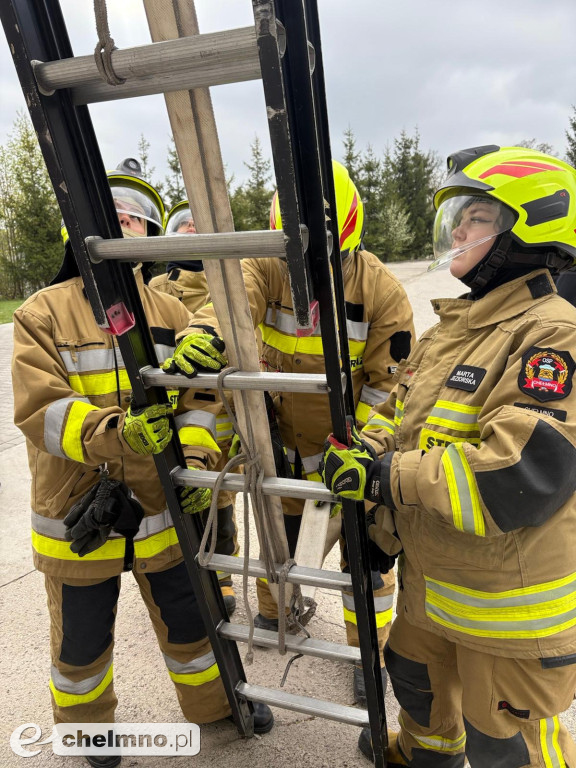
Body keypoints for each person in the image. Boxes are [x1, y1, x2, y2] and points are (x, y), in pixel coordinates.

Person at [320, 145, 576, 766]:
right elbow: (401, 419)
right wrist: (365, 454)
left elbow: (521, 471)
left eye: (478, 217)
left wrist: (384, 478)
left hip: (508, 605)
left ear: (531, 226)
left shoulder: (552, 333)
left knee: (505, 743)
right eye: (458, 216)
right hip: (432, 580)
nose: (458, 230)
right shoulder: (456, 328)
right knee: (414, 681)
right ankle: (425, 756)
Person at [12, 167, 273, 768]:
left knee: (194, 627)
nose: (121, 223)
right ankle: (87, 736)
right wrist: (113, 433)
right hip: (78, 516)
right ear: (76, 230)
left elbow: (204, 401)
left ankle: (215, 708)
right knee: (80, 645)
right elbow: (39, 409)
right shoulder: (41, 313)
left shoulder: (171, 312)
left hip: (162, 509)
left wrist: (202, 466)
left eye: (132, 216)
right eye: (110, 214)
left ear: (150, 234)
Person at [160, 160, 415, 705]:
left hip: (352, 452)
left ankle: (367, 652)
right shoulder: (264, 265)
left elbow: (393, 390)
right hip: (283, 444)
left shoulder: (381, 291)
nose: (304, 270)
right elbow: (231, 301)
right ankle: (279, 615)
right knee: (282, 543)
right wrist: (209, 333)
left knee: (364, 559)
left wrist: (365, 451)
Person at [150, 201, 240, 615]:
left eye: (197, 222)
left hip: (221, 418)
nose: (190, 229)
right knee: (181, 499)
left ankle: (221, 576)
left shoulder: (230, 280)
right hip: (175, 415)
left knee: (221, 502)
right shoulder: (155, 290)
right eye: (182, 223)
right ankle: (187, 572)